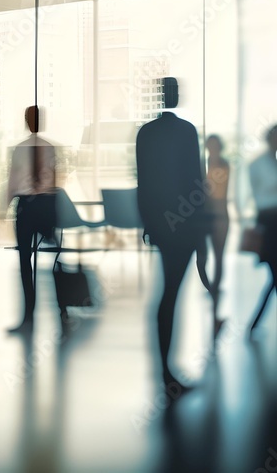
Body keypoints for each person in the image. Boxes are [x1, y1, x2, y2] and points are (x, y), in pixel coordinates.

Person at [136, 77, 210, 394]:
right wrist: (202, 227)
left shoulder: (145, 134)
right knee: (170, 294)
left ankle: (165, 371)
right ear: (173, 95)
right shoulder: (186, 131)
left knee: (168, 295)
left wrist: (149, 225)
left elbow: (143, 184)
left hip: (164, 226)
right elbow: (196, 182)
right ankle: (166, 373)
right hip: (186, 225)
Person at [5, 106, 58, 333]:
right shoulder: (49, 148)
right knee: (54, 260)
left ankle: (29, 317)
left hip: (28, 207)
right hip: (44, 206)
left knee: (26, 263)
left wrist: (4, 206)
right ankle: (60, 312)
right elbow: (54, 179)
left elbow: (13, 180)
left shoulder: (21, 149)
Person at [194, 134, 229, 336]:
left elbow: (217, 192)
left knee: (218, 259)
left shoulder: (222, 165)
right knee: (202, 258)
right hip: (204, 217)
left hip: (219, 217)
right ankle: (211, 290)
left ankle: (214, 297)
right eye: (210, 145)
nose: (212, 148)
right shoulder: (202, 164)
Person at [248, 124, 277, 336]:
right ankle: (254, 323)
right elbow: (258, 196)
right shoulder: (257, 164)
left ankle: (255, 323)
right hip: (268, 222)